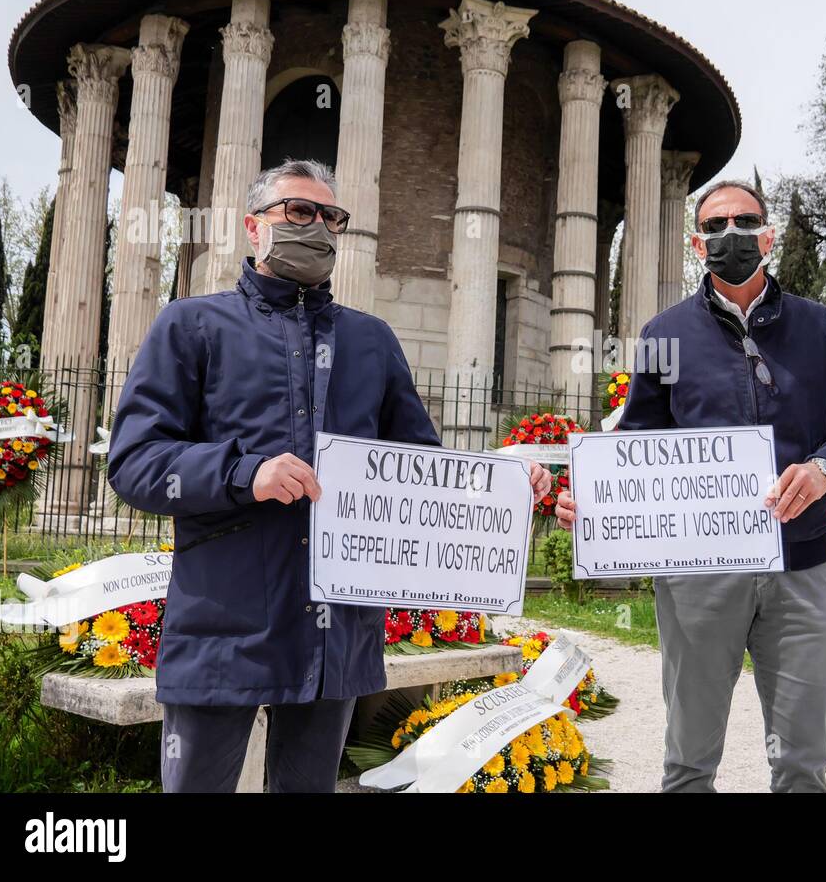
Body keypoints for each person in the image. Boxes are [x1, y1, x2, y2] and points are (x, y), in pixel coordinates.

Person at [108, 158, 551, 792]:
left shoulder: (370, 341)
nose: (316, 227)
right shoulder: (191, 325)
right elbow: (134, 462)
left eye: (329, 217)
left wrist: (504, 483)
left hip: (335, 633)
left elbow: (420, 472)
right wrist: (242, 472)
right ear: (253, 227)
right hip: (223, 625)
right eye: (297, 211)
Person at [556, 179, 826, 792]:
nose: (731, 235)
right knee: (689, 760)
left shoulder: (825, 329)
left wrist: (824, 469)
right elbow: (639, 444)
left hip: (804, 568)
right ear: (697, 246)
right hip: (699, 576)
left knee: (803, 763)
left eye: (744, 221)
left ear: (769, 234)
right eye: (715, 227)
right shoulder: (662, 336)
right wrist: (596, 498)